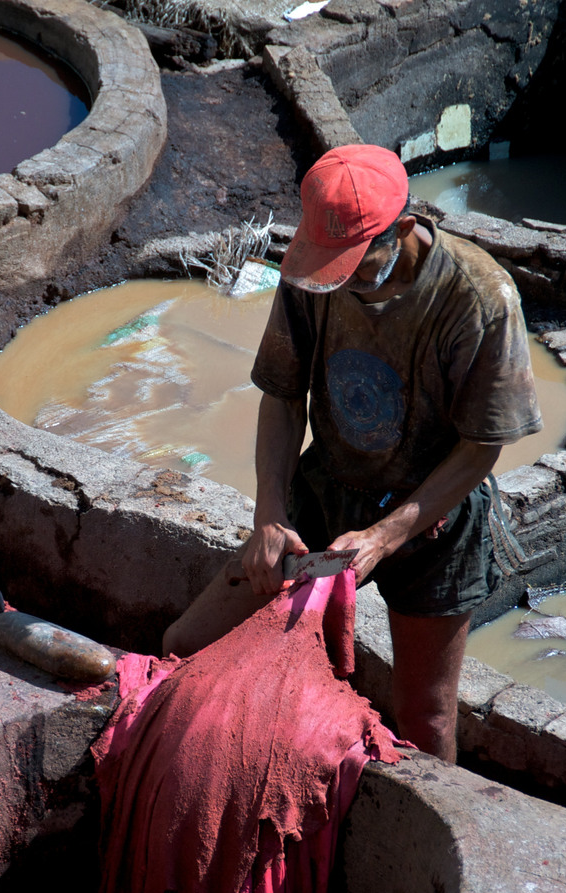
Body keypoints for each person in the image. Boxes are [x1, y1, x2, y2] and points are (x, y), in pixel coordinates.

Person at [162, 144, 541, 763]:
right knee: (187, 643)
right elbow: (282, 397)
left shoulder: (479, 297)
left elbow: (482, 447)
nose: (343, 282)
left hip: (435, 518)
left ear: (406, 228)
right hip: (327, 489)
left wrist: (386, 536)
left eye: (359, 267)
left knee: (424, 719)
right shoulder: (310, 275)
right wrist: (269, 517)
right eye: (333, 269)